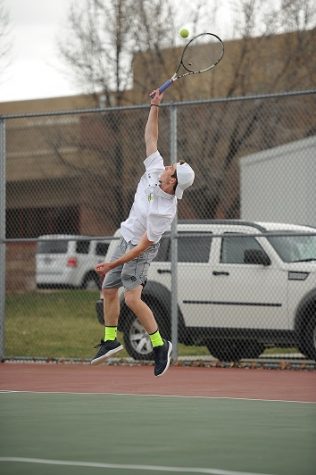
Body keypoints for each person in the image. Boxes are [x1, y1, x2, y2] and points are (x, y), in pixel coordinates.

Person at [91, 89, 195, 377]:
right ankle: (110, 341)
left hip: (141, 248)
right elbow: (151, 137)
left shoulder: (164, 211)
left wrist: (113, 262)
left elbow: (142, 246)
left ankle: (160, 346)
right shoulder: (155, 170)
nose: (169, 166)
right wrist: (154, 106)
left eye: (173, 169)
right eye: (172, 165)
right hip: (127, 237)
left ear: (172, 182)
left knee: (132, 299)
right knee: (109, 289)